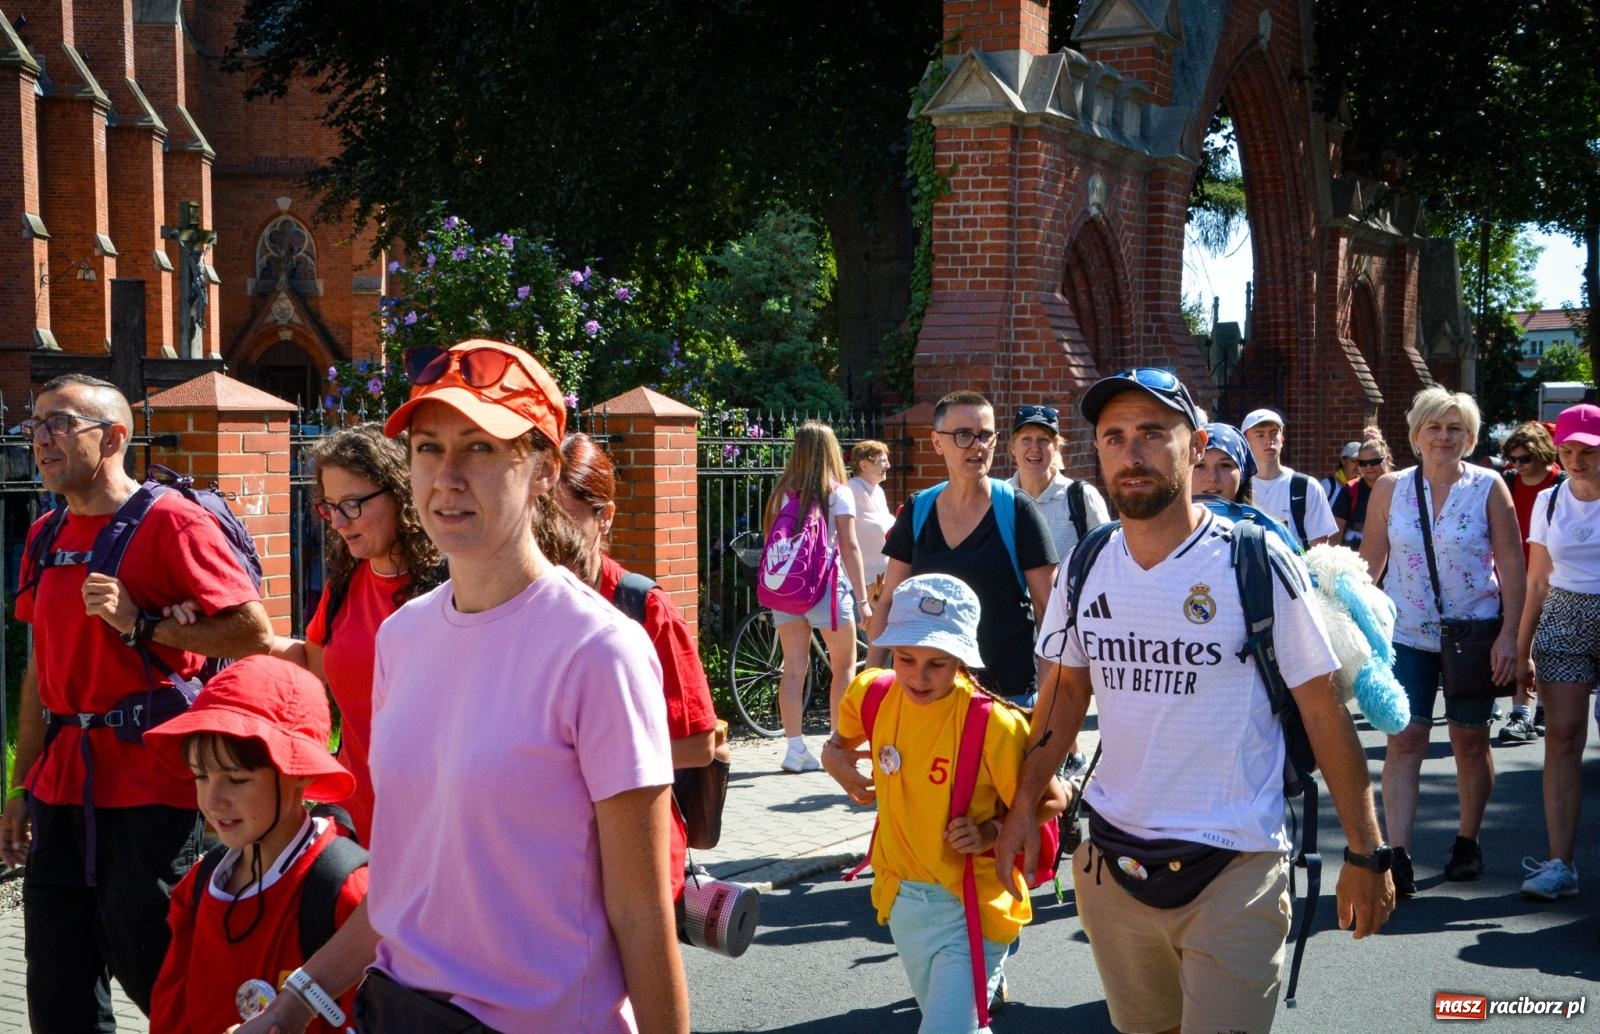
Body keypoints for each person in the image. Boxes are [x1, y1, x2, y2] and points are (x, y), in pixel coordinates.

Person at [236, 339, 688, 1034]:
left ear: (541, 467)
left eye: (479, 448)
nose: (445, 477)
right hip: (402, 1012)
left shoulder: (599, 651)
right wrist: (296, 1002)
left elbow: (640, 909)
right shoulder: (403, 637)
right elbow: (397, 886)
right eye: (426, 447)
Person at [997, 368, 1392, 1033]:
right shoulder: (1086, 565)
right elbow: (1063, 697)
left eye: (1153, 433)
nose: (1132, 452)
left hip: (1235, 868)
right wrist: (1018, 812)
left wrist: (1367, 850)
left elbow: (1323, 709)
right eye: (1115, 437)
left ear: (1195, 442)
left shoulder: (1255, 558)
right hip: (1112, 872)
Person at [0, 373, 272, 1029]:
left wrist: (143, 626)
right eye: (34, 425)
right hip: (62, 789)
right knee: (57, 981)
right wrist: (20, 786)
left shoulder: (173, 523)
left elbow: (253, 633)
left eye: (59, 423)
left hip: (155, 790)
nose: (40, 439)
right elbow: (42, 669)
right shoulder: (45, 534)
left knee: (160, 974)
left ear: (115, 436)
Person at [822, 573, 1067, 1031]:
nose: (917, 675)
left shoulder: (994, 723)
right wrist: (832, 756)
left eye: (937, 662)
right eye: (906, 658)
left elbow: (1050, 800)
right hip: (900, 899)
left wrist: (991, 832)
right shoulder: (872, 692)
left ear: (962, 658)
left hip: (971, 904)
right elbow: (839, 742)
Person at [1358, 386, 1524, 896]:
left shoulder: (1489, 486)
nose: (1444, 436)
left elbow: (1513, 563)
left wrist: (1513, 637)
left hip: (1475, 633)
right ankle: (1399, 855)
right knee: (1404, 740)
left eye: (1455, 428)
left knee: (1469, 741)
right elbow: (1369, 564)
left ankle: (1466, 842)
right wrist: (1358, 631)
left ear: (1470, 437)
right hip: (1407, 632)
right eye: (1434, 426)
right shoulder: (1389, 487)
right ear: (1416, 435)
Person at [147, 656, 367, 1033]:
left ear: (300, 772)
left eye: (237, 779)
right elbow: (171, 1015)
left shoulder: (346, 893)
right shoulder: (201, 884)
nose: (214, 801)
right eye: (201, 776)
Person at [269, 425, 445, 840]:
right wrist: (217, 633)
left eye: (352, 504)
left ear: (400, 494)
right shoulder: (346, 581)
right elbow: (317, 665)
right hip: (356, 820)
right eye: (329, 507)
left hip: (435, 825)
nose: (338, 522)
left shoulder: (454, 587)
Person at [553, 430, 722, 802]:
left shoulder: (643, 608)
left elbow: (697, 744)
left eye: (566, 522)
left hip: (637, 836)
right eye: (537, 520)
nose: (550, 540)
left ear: (605, 518)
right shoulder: (513, 604)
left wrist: (573, 763)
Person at [869, 391, 1058, 707]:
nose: (977, 446)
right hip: (926, 698)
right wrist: (868, 683)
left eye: (985, 435)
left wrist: (1049, 705)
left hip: (1004, 699)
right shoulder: (918, 510)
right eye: (963, 435)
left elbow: (1049, 611)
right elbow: (889, 601)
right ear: (937, 442)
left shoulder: (1017, 510)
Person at [1514, 404, 1600, 900]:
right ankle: (1560, 864)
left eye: (1587, 451)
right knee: (1563, 738)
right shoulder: (1549, 502)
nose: (1576, 460)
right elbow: (1537, 580)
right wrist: (1521, 650)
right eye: (1568, 451)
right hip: (1564, 619)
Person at [765, 420, 874, 772]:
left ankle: (794, 750)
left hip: (788, 589)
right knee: (844, 664)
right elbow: (850, 546)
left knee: (793, 667)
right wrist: (862, 599)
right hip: (826, 588)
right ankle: (835, 744)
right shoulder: (838, 492)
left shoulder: (784, 491)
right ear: (830, 452)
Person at [1007, 402, 1108, 773]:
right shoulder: (999, 497)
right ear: (1012, 447)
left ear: (1057, 447)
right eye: (1026, 439)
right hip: (1013, 622)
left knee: (1057, 697)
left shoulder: (1080, 497)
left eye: (1044, 441)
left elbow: (1108, 557)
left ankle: (1056, 760)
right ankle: (1062, 754)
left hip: (1066, 619)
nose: (1035, 448)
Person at [1499, 420, 1565, 742]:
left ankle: (1543, 709)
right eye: (1512, 459)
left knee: (1546, 649)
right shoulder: (1508, 483)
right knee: (1518, 642)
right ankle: (1521, 713)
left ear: (1542, 454)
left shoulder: (1561, 483)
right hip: (1515, 576)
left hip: (1555, 580)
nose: (1517, 466)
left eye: (1524, 459)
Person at [1241, 408, 1339, 549]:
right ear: (1246, 443)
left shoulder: (1307, 487)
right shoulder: (1238, 487)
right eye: (1260, 435)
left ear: (1282, 439)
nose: (1269, 441)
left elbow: (1320, 551)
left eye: (1274, 433)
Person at [847, 438, 898, 602]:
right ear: (864, 465)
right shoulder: (851, 489)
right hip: (859, 584)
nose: (888, 466)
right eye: (883, 461)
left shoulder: (878, 492)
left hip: (881, 580)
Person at [1332, 429, 1390, 549]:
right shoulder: (1350, 489)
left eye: (1374, 462)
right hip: (1357, 562)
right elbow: (1335, 535)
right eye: (1362, 463)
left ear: (1387, 459)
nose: (1368, 467)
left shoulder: (1402, 488)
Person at [1192, 420, 1257, 504]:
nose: (1212, 478)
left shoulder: (1260, 517)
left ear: (1242, 474)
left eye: (1225, 465)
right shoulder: (1169, 517)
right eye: (1200, 465)